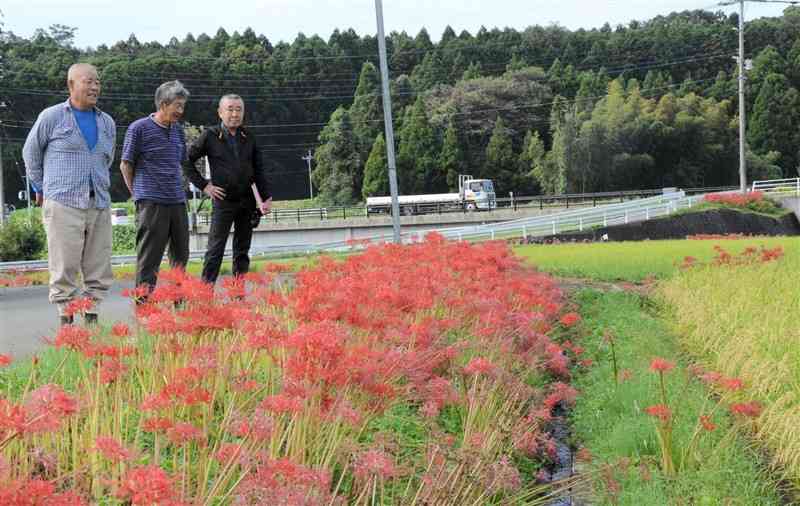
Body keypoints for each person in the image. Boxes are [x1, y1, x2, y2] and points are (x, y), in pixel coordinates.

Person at [23, 63, 116, 326]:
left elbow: (105, 159)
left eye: (97, 82)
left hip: (97, 201)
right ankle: (66, 317)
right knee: (64, 264)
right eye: (88, 81)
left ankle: (92, 315)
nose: (95, 87)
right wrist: (42, 188)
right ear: (71, 85)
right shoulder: (52, 116)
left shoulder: (107, 122)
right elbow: (31, 153)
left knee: (99, 263)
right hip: (62, 202)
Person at [183, 94, 271, 284]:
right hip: (223, 201)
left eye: (239, 109)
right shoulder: (210, 135)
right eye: (230, 109)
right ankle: (205, 294)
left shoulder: (249, 137)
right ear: (220, 112)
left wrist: (266, 197)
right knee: (215, 249)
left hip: (246, 201)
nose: (234, 114)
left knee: (242, 251)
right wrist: (205, 185)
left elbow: (259, 170)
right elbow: (186, 161)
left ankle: (238, 293)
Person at [120, 81, 191, 297]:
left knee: (181, 258)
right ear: (163, 104)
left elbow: (180, 163)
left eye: (182, 106)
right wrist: (137, 193)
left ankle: (180, 306)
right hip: (151, 202)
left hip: (177, 201)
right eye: (177, 106)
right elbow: (126, 164)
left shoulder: (178, 131)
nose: (181, 111)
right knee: (149, 259)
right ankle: (144, 308)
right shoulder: (139, 128)